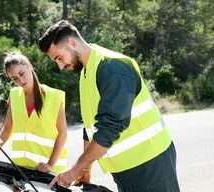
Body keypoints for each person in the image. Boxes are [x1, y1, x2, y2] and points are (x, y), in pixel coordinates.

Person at [38, 20, 180, 191]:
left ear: (72, 43)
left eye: (59, 58)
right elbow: (90, 128)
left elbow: (109, 128)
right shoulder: (86, 71)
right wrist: (85, 169)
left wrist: (75, 169)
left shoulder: (113, 68)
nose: (60, 66)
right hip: (125, 169)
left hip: (150, 163)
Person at [0, 52, 68, 174]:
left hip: (49, 171)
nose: (20, 80)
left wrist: (50, 164)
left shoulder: (53, 96)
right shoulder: (14, 96)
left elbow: (62, 132)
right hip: (21, 169)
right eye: (14, 78)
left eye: (21, 73)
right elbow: (7, 129)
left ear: (29, 66)